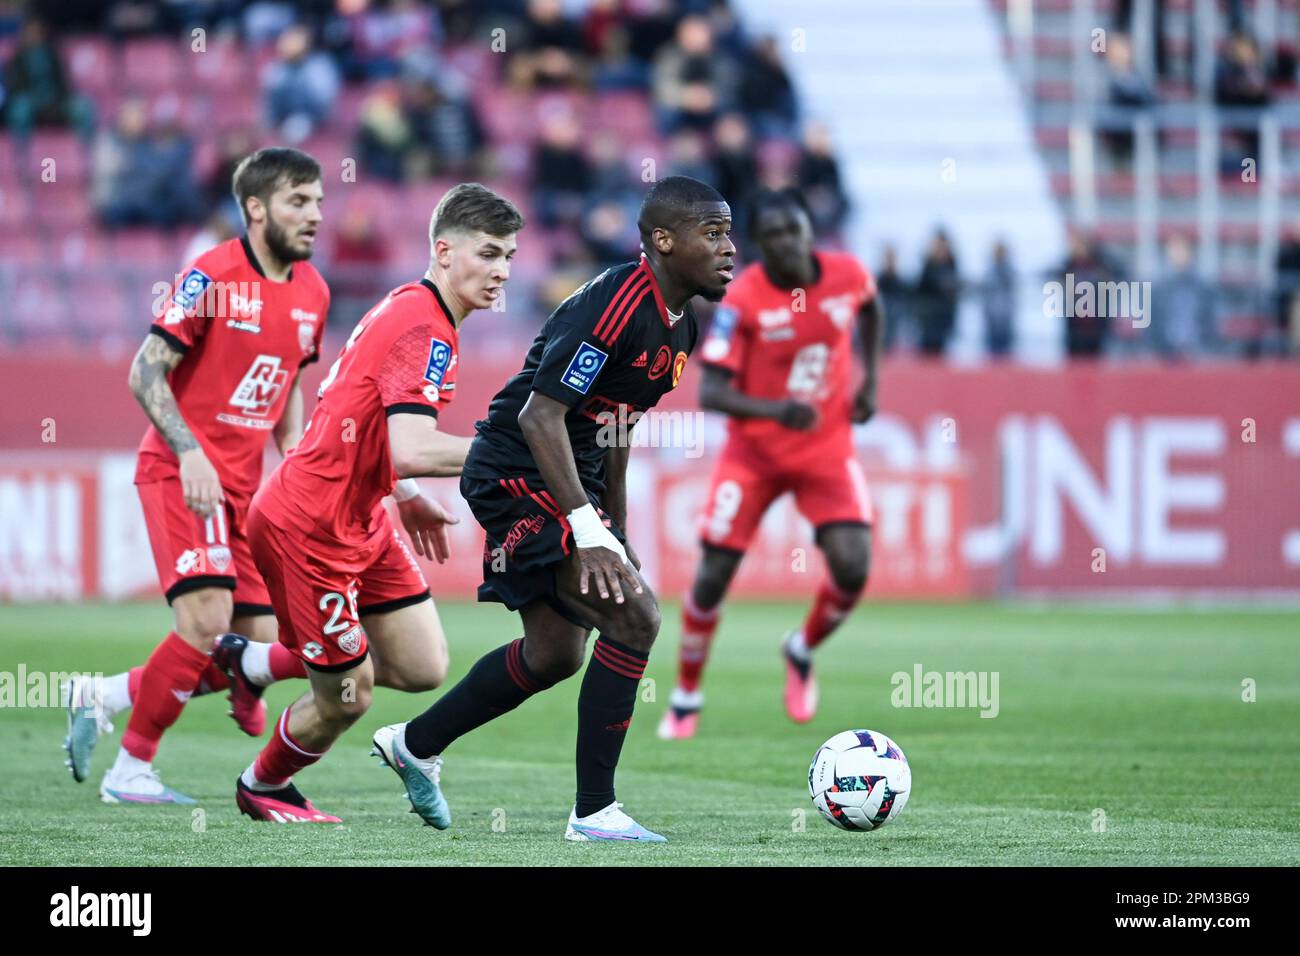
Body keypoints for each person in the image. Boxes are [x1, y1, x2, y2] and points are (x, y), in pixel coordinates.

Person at [370, 176, 735, 843]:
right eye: (712, 234)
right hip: (516, 469)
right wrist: (589, 529)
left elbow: (617, 423)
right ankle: (594, 814)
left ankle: (415, 744)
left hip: (568, 474)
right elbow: (542, 416)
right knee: (635, 617)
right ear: (662, 241)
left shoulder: (687, 322)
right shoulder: (617, 306)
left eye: (728, 233)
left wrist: (615, 527)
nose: (728, 248)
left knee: (555, 653)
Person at [232, 183, 524, 824]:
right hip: (308, 527)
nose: (502, 271)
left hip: (360, 514)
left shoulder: (415, 310)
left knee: (422, 665)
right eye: (488, 253)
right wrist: (513, 452)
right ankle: (264, 785)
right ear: (444, 252)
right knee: (347, 696)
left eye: (508, 256)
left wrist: (408, 492)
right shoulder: (423, 327)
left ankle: (253, 662)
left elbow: (362, 421)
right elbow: (415, 444)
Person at [62, 148, 329, 804]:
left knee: (260, 646)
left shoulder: (315, 292)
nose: (315, 216)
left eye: (319, 201)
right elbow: (144, 370)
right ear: (256, 208)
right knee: (207, 620)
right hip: (183, 474)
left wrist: (293, 458)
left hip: (246, 489)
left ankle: (106, 694)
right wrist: (189, 451)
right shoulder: (211, 275)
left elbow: (289, 382)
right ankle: (131, 770)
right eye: (300, 202)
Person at [658, 187, 882, 739]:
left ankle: (801, 648)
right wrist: (776, 410)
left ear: (810, 230)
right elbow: (710, 392)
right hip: (754, 454)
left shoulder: (848, 275)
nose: (784, 242)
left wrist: (869, 378)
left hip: (826, 449)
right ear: (758, 244)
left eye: (792, 229)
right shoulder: (743, 300)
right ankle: (687, 693)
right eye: (772, 235)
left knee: (853, 567)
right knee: (712, 576)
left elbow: (873, 307)